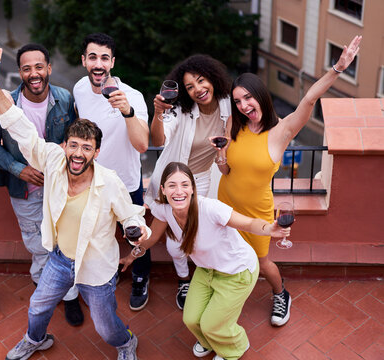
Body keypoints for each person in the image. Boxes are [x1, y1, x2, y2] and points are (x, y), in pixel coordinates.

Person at [0, 46, 150, 360]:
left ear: (96, 153)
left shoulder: (109, 181)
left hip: (97, 266)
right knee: (38, 306)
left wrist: (136, 229)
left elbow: (132, 217)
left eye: (86, 148)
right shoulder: (54, 160)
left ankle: (126, 342)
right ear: (65, 146)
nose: (78, 153)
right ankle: (35, 339)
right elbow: (18, 125)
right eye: (73, 145)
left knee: (104, 325)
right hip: (59, 259)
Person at [216, 35, 362, 327]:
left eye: (248, 97)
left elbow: (309, 99)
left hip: (256, 209)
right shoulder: (233, 124)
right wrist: (220, 157)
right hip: (225, 203)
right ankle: (226, 297)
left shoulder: (282, 131)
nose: (243, 105)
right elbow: (227, 171)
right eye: (237, 101)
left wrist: (337, 68)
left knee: (261, 261)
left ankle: (281, 293)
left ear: (260, 95)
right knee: (225, 254)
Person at [120, 162, 289, 360]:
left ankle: (236, 347)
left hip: (238, 272)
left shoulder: (210, 209)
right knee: (191, 319)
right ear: (164, 190)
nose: (179, 191)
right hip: (207, 270)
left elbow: (249, 223)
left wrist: (269, 229)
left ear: (192, 188)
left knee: (212, 324)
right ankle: (210, 341)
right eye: (172, 185)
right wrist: (132, 255)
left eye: (184, 184)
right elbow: (151, 239)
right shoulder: (166, 211)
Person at [0, 43, 83, 326]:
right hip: (24, 191)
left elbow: (76, 134)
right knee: (37, 245)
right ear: (20, 73)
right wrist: (18, 169)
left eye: (39, 66)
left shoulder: (64, 98)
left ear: (48, 68)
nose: (34, 73)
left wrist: (66, 146)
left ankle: (71, 296)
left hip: (61, 187)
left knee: (65, 242)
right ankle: (45, 289)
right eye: (27, 68)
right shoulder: (5, 105)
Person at [145, 54, 232, 310]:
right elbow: (159, 140)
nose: (198, 90)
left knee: (202, 233)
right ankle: (184, 279)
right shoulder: (181, 111)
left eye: (201, 81)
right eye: (190, 86)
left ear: (213, 78)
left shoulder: (229, 106)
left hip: (204, 180)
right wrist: (158, 114)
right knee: (174, 242)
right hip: (173, 182)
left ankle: (205, 279)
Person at [73, 33, 151, 311]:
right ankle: (103, 277)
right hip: (93, 183)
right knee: (97, 234)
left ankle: (141, 277)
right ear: (84, 61)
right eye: (92, 57)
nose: (98, 63)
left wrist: (127, 112)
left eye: (104, 58)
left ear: (112, 63)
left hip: (126, 184)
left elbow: (142, 144)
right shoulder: (79, 89)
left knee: (136, 234)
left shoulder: (133, 97)